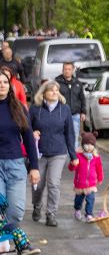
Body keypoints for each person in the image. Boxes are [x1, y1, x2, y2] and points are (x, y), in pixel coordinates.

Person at [29, 79, 78, 227]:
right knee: (38, 185)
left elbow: (70, 133)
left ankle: (51, 214)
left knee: (54, 183)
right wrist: (32, 133)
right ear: (43, 93)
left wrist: (73, 155)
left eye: (57, 90)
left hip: (58, 152)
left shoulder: (65, 109)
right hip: (39, 153)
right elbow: (26, 127)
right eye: (51, 90)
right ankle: (37, 205)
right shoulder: (35, 108)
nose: (55, 92)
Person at [0, 73, 39, 234]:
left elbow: (29, 138)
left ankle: (5, 239)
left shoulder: (19, 108)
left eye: (5, 82)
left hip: (16, 164)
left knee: (16, 212)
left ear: (10, 86)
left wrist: (34, 167)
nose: (2, 84)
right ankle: (3, 244)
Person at [73, 131, 105, 220]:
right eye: (86, 144)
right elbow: (72, 168)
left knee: (90, 200)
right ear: (83, 145)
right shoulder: (78, 156)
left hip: (91, 184)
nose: (89, 146)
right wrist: (73, 163)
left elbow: (99, 168)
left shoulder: (96, 157)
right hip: (80, 183)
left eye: (91, 144)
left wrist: (100, 178)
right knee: (78, 200)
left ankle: (89, 214)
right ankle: (77, 209)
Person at [55, 62, 88, 131]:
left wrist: (83, 112)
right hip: (61, 115)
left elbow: (82, 98)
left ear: (73, 70)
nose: (67, 71)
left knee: (75, 136)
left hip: (75, 115)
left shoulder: (78, 83)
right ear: (62, 70)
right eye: (65, 69)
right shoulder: (57, 83)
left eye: (69, 69)